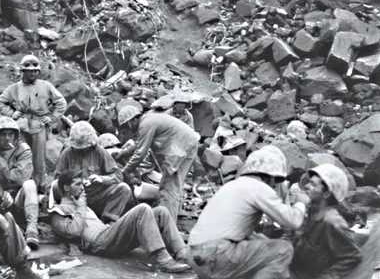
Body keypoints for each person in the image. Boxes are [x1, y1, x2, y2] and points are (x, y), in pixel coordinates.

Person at [188, 145, 310, 279]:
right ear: (270, 177)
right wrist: (301, 202)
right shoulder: (259, 187)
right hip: (217, 256)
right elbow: (293, 221)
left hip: (195, 255)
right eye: (275, 182)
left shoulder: (232, 185)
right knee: (283, 250)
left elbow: (234, 229)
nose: (274, 186)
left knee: (259, 240)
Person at [49, 169, 191, 273]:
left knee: (161, 212)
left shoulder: (81, 204)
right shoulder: (58, 212)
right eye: (77, 184)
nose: (82, 187)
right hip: (100, 244)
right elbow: (73, 231)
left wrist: (82, 204)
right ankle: (163, 260)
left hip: (108, 235)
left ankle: (183, 254)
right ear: (66, 188)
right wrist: (80, 205)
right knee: (142, 209)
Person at [0, 54, 67, 188]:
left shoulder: (46, 86)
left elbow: (61, 102)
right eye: (29, 71)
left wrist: (51, 118)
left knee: (39, 160)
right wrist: (12, 113)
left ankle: (39, 186)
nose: (33, 73)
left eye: (35, 71)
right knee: (20, 155)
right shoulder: (14, 88)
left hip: (39, 127)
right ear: (23, 71)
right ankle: (21, 185)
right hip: (21, 127)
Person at [119, 106, 200, 221]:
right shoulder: (148, 120)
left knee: (169, 188)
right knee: (168, 187)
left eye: (127, 125)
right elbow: (139, 144)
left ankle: (168, 224)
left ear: (133, 120)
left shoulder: (145, 124)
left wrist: (125, 171)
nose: (129, 129)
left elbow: (140, 153)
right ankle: (166, 220)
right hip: (185, 145)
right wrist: (123, 153)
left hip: (182, 148)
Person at [291, 164, 362, 279]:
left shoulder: (332, 221)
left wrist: (328, 276)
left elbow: (353, 256)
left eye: (313, 184)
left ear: (326, 193)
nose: (307, 186)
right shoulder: (311, 212)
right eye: (309, 182)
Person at [55, 121, 133, 223]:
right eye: (79, 148)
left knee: (123, 188)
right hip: (74, 198)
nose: (82, 150)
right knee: (56, 187)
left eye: (85, 147)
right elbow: (57, 178)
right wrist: (73, 183)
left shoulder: (99, 151)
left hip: (97, 196)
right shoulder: (67, 154)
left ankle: (108, 221)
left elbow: (118, 175)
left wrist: (102, 179)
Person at [0, 116, 40, 250]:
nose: (7, 138)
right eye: (3, 135)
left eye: (10, 134)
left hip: (17, 197)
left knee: (30, 184)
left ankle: (32, 230)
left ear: (15, 136)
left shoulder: (23, 149)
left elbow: (21, 176)